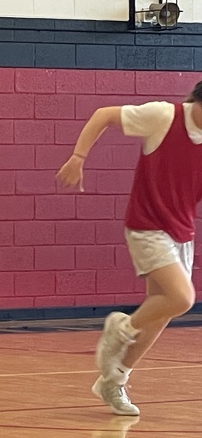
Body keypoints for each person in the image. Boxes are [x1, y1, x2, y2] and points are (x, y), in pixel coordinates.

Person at [56, 82, 202, 416]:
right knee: (182, 298)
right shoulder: (164, 116)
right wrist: (78, 157)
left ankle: (114, 380)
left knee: (161, 311)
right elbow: (103, 115)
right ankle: (121, 329)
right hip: (147, 226)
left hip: (181, 231)